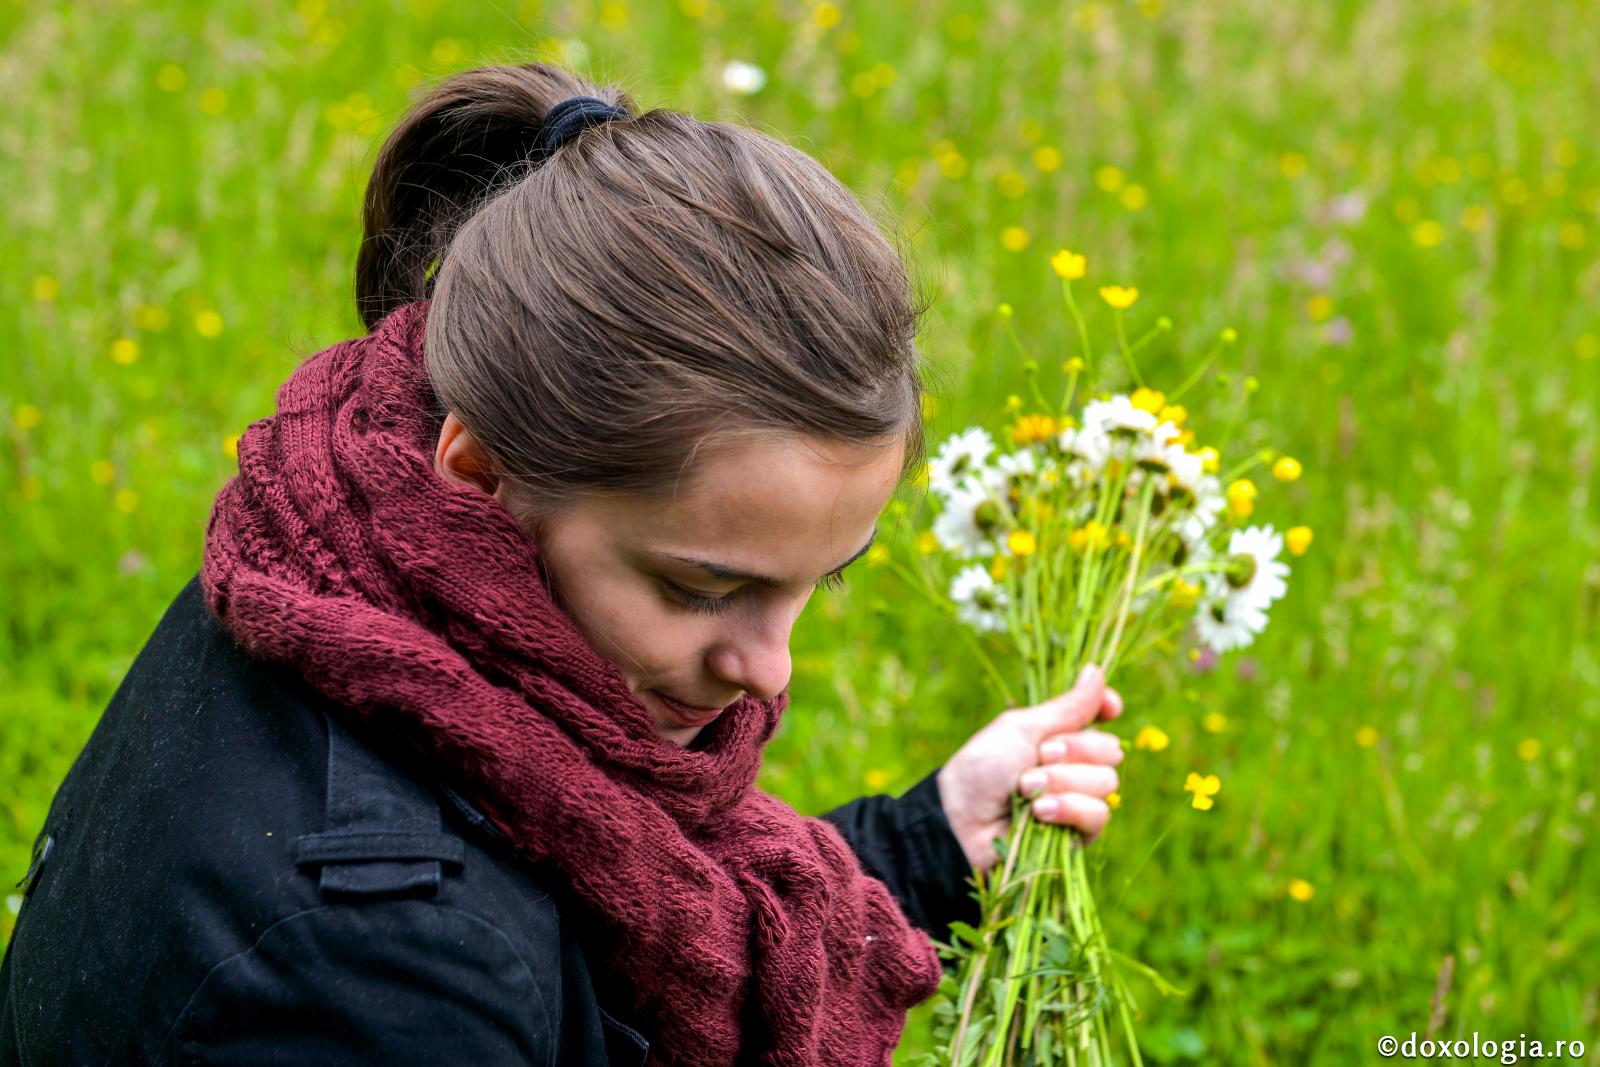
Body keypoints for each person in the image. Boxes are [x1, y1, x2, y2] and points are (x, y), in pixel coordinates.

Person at [0, 63, 1123, 1065]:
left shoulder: (328, 553)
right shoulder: (382, 966)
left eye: (817, 581)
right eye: (702, 587)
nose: (771, 671)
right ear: (480, 474)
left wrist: (925, 841)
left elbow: (584, 926)